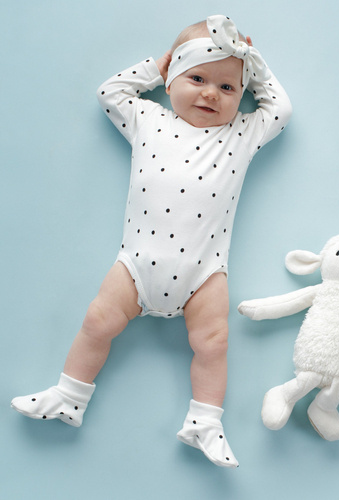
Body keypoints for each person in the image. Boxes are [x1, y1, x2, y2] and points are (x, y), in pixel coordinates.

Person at [11, 14, 292, 468]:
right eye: (197, 78)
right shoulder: (148, 118)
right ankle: (68, 396)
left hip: (204, 273)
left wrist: (252, 62)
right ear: (172, 77)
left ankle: (205, 422)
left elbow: (279, 110)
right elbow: (110, 93)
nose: (210, 93)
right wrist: (155, 69)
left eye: (227, 87)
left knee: (214, 342)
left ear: (241, 95)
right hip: (136, 266)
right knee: (97, 321)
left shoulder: (240, 134)